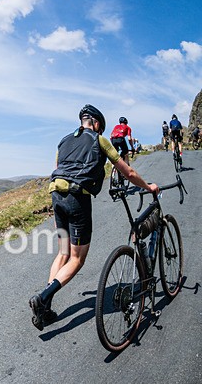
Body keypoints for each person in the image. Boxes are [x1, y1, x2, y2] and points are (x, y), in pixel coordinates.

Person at [29, 105, 159, 330]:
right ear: (97, 124)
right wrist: (148, 187)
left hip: (56, 196)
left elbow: (58, 168)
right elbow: (127, 171)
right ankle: (43, 297)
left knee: (63, 253)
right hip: (77, 199)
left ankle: (46, 308)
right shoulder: (99, 140)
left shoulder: (64, 140)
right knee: (77, 260)